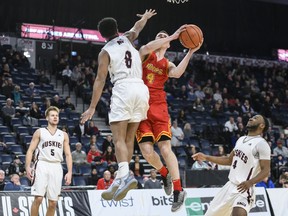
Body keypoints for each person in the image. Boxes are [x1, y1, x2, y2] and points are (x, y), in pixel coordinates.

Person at [80, 9, 156, 201]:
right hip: (141, 88)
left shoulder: (104, 52)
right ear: (117, 29)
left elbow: (99, 80)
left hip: (123, 88)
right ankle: (121, 178)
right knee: (129, 139)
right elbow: (137, 27)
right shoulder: (128, 38)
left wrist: (92, 107)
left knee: (118, 139)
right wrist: (145, 18)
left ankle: (124, 175)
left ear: (102, 35)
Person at [136, 26, 202, 212]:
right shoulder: (146, 54)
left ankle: (179, 190)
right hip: (140, 107)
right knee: (147, 151)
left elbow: (178, 73)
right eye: (160, 35)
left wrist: (190, 51)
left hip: (158, 107)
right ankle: (164, 173)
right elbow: (145, 48)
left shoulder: (167, 64)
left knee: (165, 149)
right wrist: (172, 36)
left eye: (165, 36)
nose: (163, 37)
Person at [192, 114, 271, 216]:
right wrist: (206, 157)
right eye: (252, 117)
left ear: (262, 126)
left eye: (256, 118)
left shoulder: (262, 144)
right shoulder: (241, 139)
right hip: (229, 186)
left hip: (244, 188)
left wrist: (250, 182)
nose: (251, 118)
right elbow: (229, 160)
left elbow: (266, 170)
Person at [25, 106, 72, 216]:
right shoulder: (40, 132)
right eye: (52, 115)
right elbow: (30, 150)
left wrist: (69, 172)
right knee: (39, 199)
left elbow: (68, 154)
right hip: (42, 164)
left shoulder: (63, 135)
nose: (55, 117)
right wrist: (28, 166)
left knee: (53, 203)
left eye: (57, 115)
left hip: (56, 166)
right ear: (47, 118)